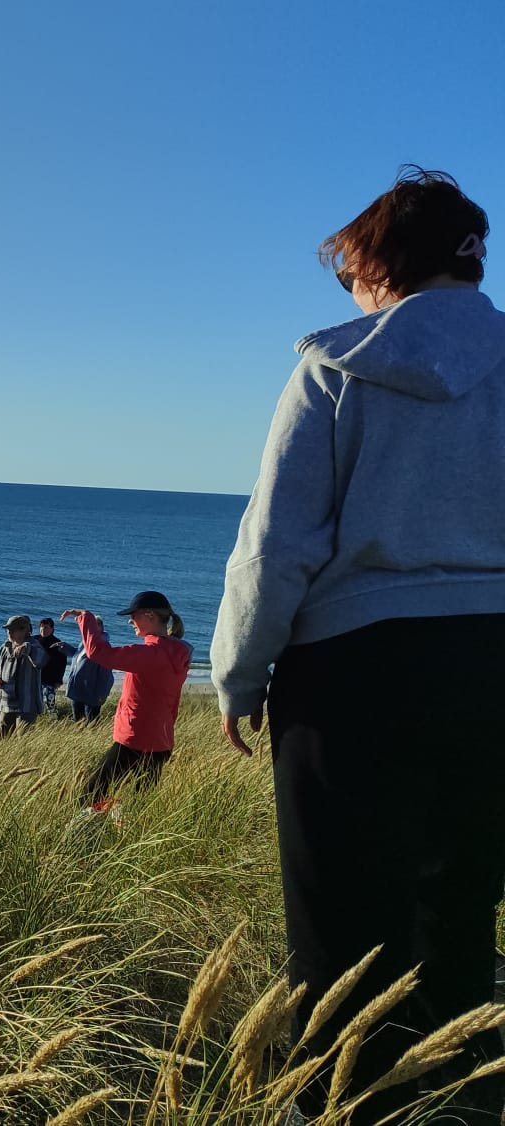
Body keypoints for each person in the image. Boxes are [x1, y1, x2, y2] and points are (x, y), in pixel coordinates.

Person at [213, 167, 505, 1122]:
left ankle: (348, 1107)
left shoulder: (337, 368)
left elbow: (276, 545)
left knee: (340, 926)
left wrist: (238, 674)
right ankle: (456, 1097)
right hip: (494, 663)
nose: (350, 293)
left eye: (351, 273)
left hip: (354, 673)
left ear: (383, 264)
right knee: (460, 906)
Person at [62, 593, 190, 815]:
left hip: (134, 740)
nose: (130, 621)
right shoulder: (179, 653)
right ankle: (123, 830)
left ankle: (85, 833)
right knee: (138, 806)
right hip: (161, 742)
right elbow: (172, 703)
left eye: (134, 615)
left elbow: (98, 652)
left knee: (90, 795)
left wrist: (85, 617)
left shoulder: (150, 653)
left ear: (150, 616)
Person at [0, 614, 45, 734]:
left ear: (24, 630)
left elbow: (41, 660)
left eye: (13, 629)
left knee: (23, 738)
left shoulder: (34, 645)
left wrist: (27, 649)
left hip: (26, 705)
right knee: (4, 737)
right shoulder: (4, 647)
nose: (9, 632)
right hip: (6, 703)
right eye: (8, 629)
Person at [64, 646, 114, 722]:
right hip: (77, 688)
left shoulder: (102, 646)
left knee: (91, 722)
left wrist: (102, 694)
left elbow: (105, 675)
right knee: (77, 721)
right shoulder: (83, 644)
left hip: (92, 694)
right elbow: (80, 657)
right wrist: (67, 648)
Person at [36, 617, 76, 713]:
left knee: (50, 703)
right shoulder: (34, 640)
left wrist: (59, 680)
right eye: (41, 627)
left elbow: (62, 664)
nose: (43, 629)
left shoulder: (57, 643)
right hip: (35, 677)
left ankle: (53, 719)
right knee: (35, 703)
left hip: (50, 679)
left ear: (52, 629)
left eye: (46, 627)